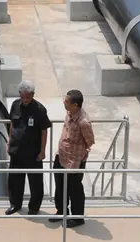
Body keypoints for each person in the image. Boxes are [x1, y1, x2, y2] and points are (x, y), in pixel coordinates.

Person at [5, 80, 51, 216]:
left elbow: (44, 130)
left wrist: (42, 150)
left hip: (33, 152)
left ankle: (34, 207)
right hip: (16, 150)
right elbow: (12, 123)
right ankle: (15, 204)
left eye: (28, 97)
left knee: (35, 182)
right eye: (23, 96)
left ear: (33, 95)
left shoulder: (39, 109)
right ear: (19, 94)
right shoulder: (15, 105)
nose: (25, 99)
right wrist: (9, 141)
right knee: (15, 180)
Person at [49, 90, 94, 229]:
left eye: (67, 101)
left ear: (75, 105)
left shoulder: (84, 122)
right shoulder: (69, 113)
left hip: (74, 162)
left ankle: (77, 217)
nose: (64, 102)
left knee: (75, 190)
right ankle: (62, 211)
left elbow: (90, 141)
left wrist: (79, 153)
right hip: (61, 157)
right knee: (60, 187)